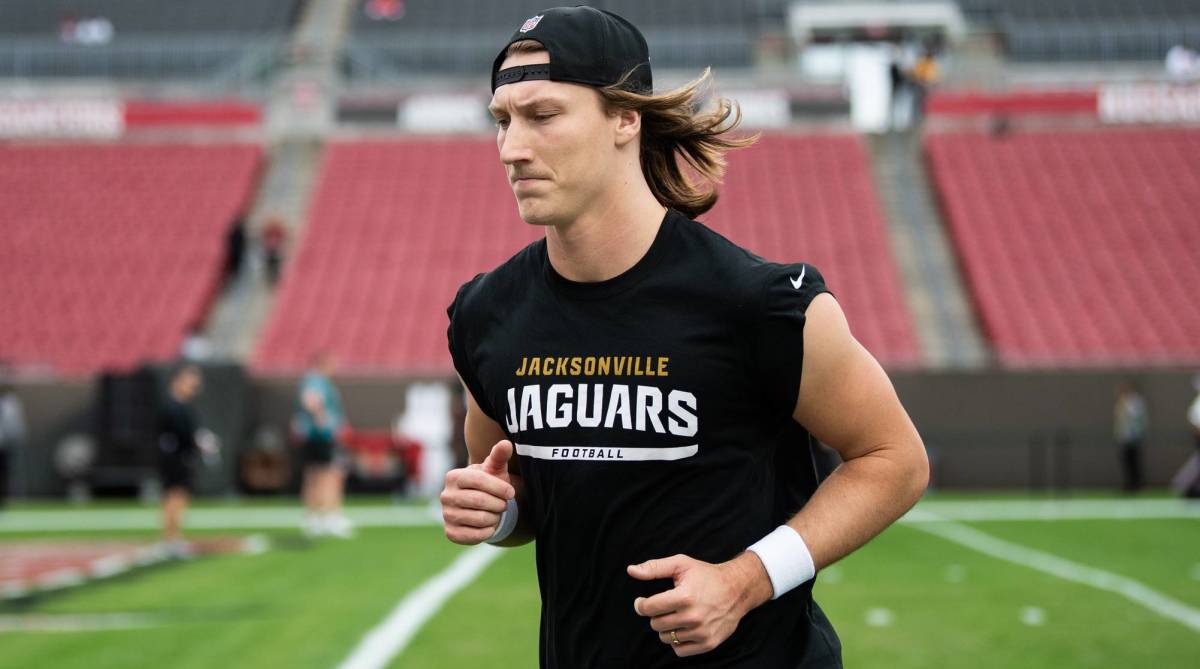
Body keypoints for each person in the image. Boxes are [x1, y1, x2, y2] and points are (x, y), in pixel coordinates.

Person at [441, 7, 928, 667]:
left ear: (625, 117)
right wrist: (495, 512)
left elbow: (894, 460)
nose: (512, 147)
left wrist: (745, 579)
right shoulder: (487, 312)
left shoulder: (756, 302)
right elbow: (519, 495)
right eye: (502, 120)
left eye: (543, 115)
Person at [157, 364, 218, 555]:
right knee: (174, 496)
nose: (193, 388)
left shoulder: (183, 406)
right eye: (190, 383)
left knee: (178, 496)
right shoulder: (172, 407)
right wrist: (197, 443)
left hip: (179, 456)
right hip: (174, 458)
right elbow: (179, 434)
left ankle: (172, 536)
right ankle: (171, 537)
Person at [294, 352, 352, 538]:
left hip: (312, 436)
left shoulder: (310, 380)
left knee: (313, 475)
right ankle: (329, 516)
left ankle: (314, 518)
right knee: (331, 474)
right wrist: (323, 421)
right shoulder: (317, 381)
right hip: (322, 436)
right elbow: (311, 400)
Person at [1113, 380, 1147, 493]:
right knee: (1127, 462)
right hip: (1125, 437)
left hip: (1133, 437)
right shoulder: (1123, 402)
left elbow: (1134, 418)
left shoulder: (1135, 402)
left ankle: (1136, 484)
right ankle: (1129, 483)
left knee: (1134, 462)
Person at [0, 367, 27, 508]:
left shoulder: (11, 403)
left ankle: (6, 497)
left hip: (5, 444)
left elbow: (15, 424)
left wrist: (16, 439)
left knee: (6, 472)